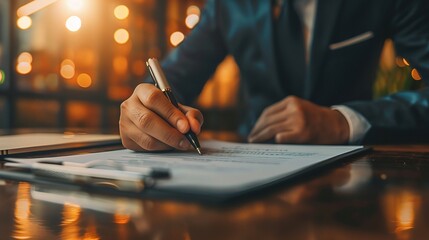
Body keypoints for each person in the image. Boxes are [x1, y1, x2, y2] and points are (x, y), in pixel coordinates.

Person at [120, 0, 429, 152]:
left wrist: (344, 121)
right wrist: (144, 112)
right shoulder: (228, 5)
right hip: (251, 179)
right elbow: (170, 81)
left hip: (354, 182)